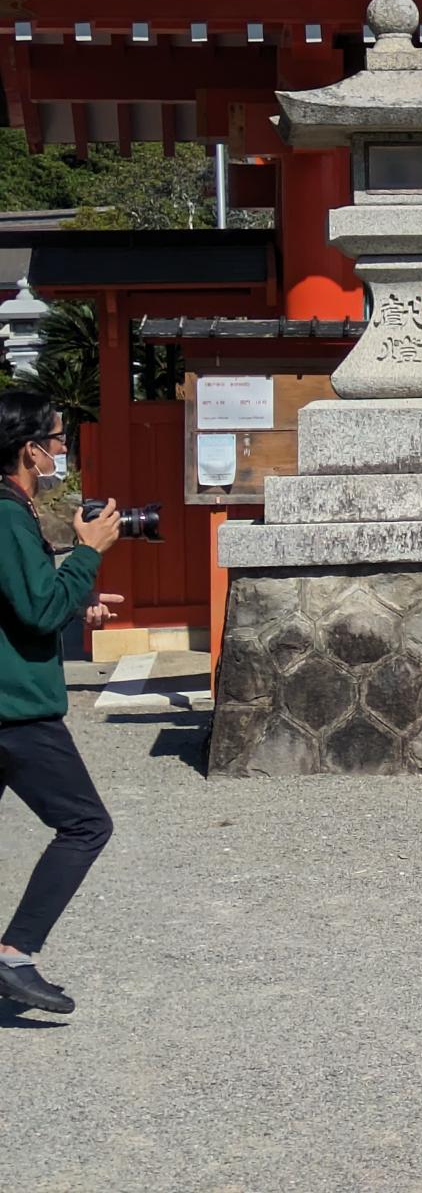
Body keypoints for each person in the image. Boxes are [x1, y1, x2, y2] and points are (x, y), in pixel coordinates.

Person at [0, 390, 123, 1016]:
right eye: (55, 439)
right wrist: (87, 556)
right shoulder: (6, 515)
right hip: (16, 711)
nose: (60, 451)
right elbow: (36, 607)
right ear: (29, 449)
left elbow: (22, 605)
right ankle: (15, 954)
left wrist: (75, 600)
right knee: (85, 825)